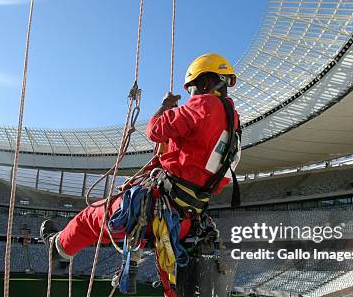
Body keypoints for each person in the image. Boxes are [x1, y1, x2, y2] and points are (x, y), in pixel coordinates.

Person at [41, 52, 241, 263]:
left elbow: (154, 130)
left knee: (90, 218)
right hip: (184, 222)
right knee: (167, 279)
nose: (191, 97)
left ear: (205, 83)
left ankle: (58, 247)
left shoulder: (204, 104)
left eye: (191, 89)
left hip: (154, 210)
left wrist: (164, 107)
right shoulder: (233, 125)